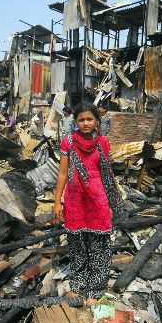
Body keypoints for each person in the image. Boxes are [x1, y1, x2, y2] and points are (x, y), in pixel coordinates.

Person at [53, 103, 123, 303]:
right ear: (75, 121)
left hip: (98, 200)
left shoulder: (103, 143)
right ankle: (78, 285)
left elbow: (107, 176)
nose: (85, 123)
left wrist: (110, 203)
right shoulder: (68, 142)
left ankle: (96, 289)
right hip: (75, 200)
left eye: (89, 119)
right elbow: (63, 174)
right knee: (77, 245)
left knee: (99, 246)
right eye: (81, 119)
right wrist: (57, 202)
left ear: (96, 121)